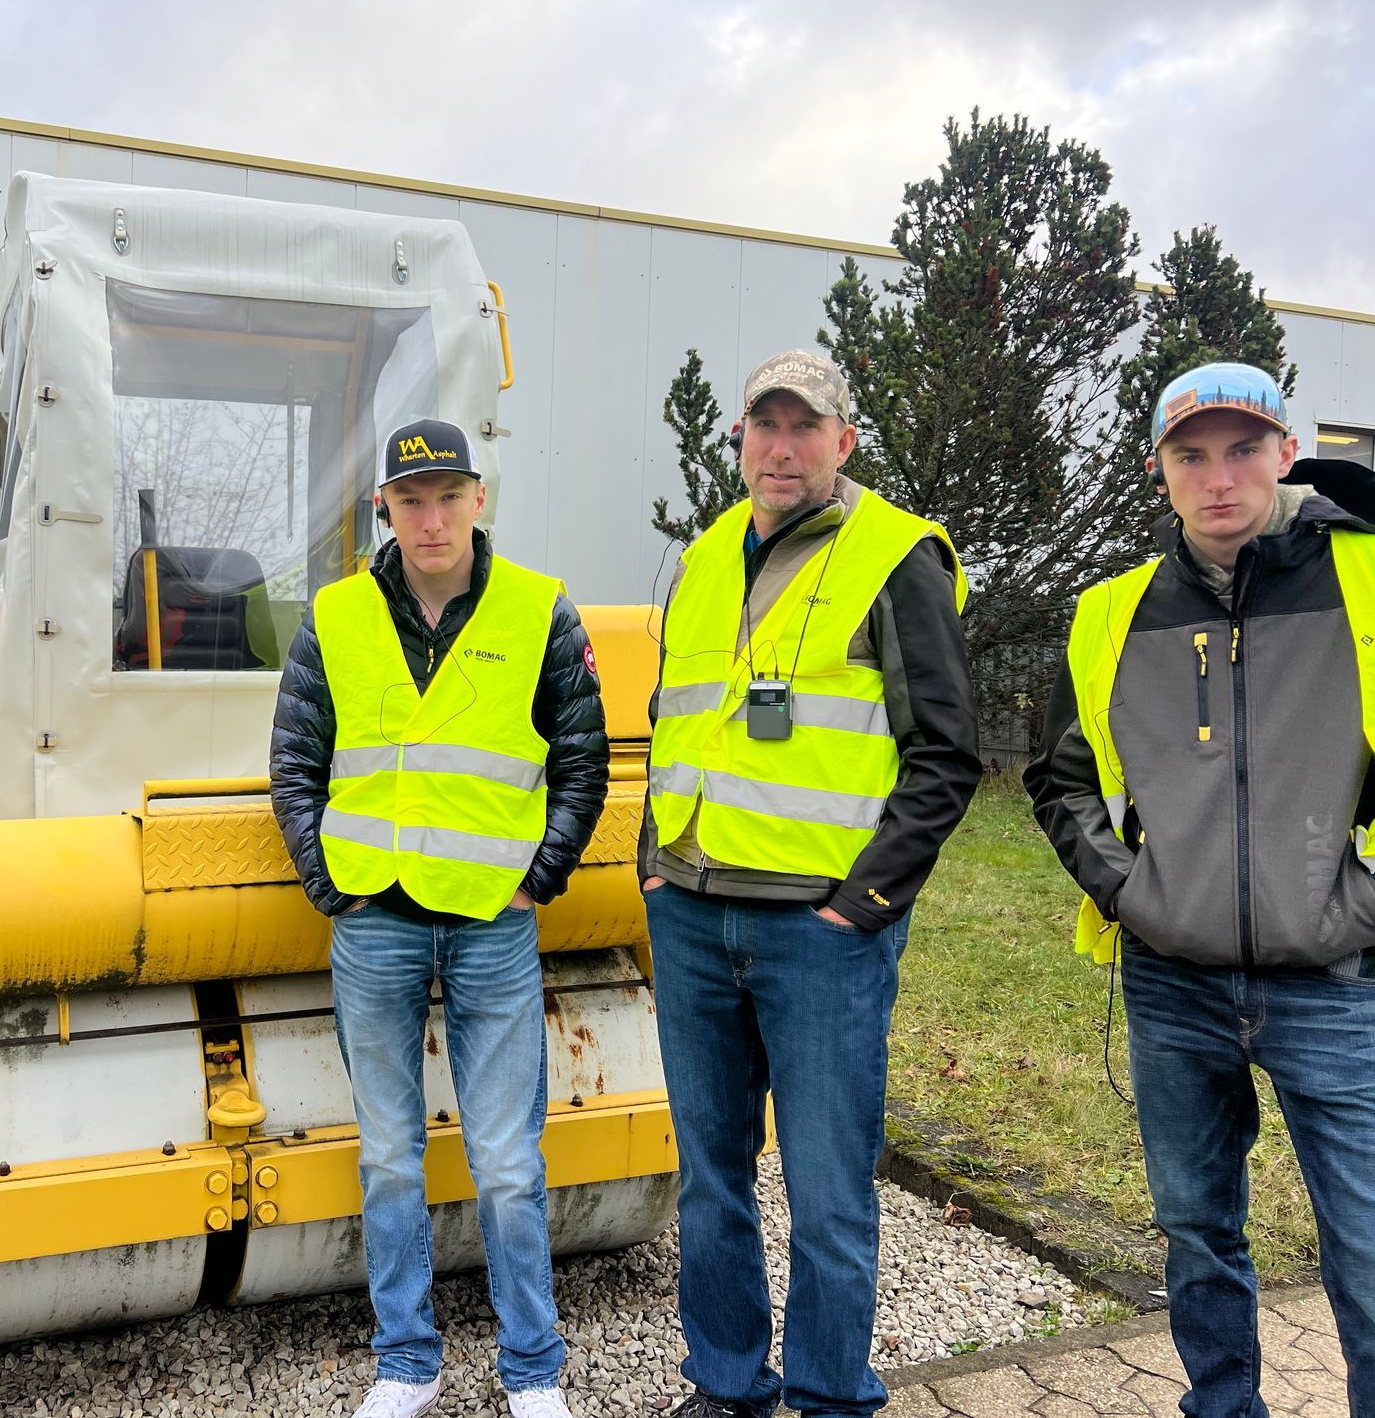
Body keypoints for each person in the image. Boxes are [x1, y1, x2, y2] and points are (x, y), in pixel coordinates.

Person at [1025, 361, 1375, 1417]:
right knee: (1195, 1230)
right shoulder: (1113, 614)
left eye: (1241, 448)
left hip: (1339, 981)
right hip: (1173, 985)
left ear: (1284, 451)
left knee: (1364, 1246)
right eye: (1191, 454)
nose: (1218, 477)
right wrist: (1130, 891)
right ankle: (1222, 1407)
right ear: (1159, 471)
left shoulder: (1363, 579)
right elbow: (1062, 771)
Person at [640, 350, 981, 1417]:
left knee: (829, 1193)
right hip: (694, 914)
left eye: (806, 427)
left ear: (844, 441)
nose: (781, 447)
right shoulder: (701, 560)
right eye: (764, 425)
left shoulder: (896, 559)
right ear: (740, 437)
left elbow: (946, 759)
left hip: (818, 934)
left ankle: (834, 1395)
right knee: (710, 1181)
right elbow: (672, 720)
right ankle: (729, 1384)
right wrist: (656, 862)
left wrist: (859, 905)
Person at [270, 417, 608, 1418]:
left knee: (508, 1163)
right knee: (387, 1156)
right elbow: (294, 762)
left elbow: (583, 759)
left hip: (492, 925)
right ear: (384, 508)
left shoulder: (540, 612)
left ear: (478, 499)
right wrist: (331, 883)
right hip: (374, 919)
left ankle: (533, 1372)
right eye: (411, 500)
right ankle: (405, 1364)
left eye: (448, 495)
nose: (431, 518)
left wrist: (537, 878)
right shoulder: (333, 615)